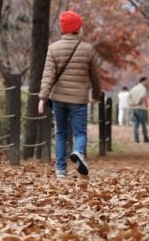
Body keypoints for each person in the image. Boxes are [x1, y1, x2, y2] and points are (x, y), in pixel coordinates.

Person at [38, 11, 101, 178]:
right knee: (79, 132)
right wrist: (96, 94)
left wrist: (42, 98)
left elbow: (48, 75)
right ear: (78, 29)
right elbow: (95, 76)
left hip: (58, 98)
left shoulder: (53, 48)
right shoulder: (87, 49)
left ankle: (60, 169)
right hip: (78, 99)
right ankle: (78, 151)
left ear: (62, 29)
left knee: (60, 133)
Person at [128, 77, 149, 143]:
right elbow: (142, 96)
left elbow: (128, 96)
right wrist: (138, 102)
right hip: (141, 108)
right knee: (143, 124)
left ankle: (136, 139)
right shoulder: (143, 89)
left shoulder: (134, 88)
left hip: (134, 108)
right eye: (147, 81)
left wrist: (131, 103)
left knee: (135, 124)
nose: (147, 83)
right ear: (143, 81)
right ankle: (145, 138)